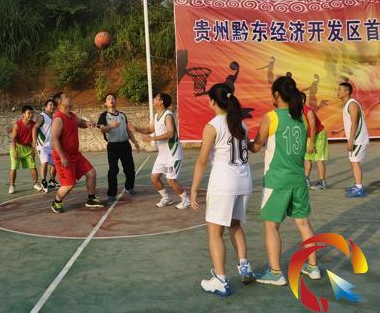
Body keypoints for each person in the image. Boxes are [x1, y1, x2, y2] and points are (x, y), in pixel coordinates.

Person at [249, 76, 321, 285]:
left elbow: (257, 146)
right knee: (304, 223)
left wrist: (240, 141)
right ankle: (313, 267)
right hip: (298, 179)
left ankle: (275, 272)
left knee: (271, 226)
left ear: (277, 94)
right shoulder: (301, 118)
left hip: (277, 181)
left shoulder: (271, 117)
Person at [190, 84, 254, 297]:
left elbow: (202, 161)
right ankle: (244, 266)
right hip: (244, 181)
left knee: (215, 232)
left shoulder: (213, 126)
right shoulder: (241, 123)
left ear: (213, 101)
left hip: (224, 183)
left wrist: (193, 189)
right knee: (235, 225)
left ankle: (220, 280)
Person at [129, 93, 190, 209]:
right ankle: (166, 198)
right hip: (162, 155)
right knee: (154, 178)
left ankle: (186, 200)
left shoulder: (168, 115)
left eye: (156, 98)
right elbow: (150, 129)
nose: (153, 99)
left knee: (171, 181)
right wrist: (136, 129)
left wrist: (153, 138)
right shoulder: (157, 116)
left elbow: (170, 133)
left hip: (173, 154)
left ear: (161, 101)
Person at [50, 92, 104, 213]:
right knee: (69, 185)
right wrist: (62, 157)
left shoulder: (72, 116)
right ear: (60, 103)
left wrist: (87, 123)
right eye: (66, 97)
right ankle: (57, 202)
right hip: (63, 156)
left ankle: (91, 199)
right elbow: (54, 138)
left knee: (91, 173)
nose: (70, 97)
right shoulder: (58, 118)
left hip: (75, 154)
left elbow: (81, 123)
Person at [97, 93, 140, 202]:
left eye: (113, 98)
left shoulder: (122, 115)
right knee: (113, 169)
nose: (111, 100)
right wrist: (111, 126)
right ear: (105, 103)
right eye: (108, 99)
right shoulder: (104, 115)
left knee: (130, 168)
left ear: (115, 101)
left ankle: (129, 187)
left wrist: (135, 142)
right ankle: (111, 194)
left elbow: (128, 130)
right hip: (113, 146)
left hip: (125, 145)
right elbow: (102, 129)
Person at [337, 82, 369, 198]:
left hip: (358, 139)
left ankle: (359, 188)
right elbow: (352, 122)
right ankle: (357, 185)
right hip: (355, 139)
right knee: (353, 161)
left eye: (340, 90)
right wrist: (339, 130)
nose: (338, 92)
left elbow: (355, 124)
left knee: (355, 162)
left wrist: (351, 140)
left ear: (347, 92)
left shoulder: (352, 105)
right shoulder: (348, 104)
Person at [9, 105, 43, 194]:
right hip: (17, 147)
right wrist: (15, 151)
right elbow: (13, 139)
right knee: (14, 167)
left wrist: (33, 150)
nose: (31, 115)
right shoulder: (17, 125)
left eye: (32, 113)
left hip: (28, 148)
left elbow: (34, 139)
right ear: (23, 114)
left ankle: (35, 183)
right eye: (29, 113)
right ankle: (12, 185)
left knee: (33, 166)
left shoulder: (33, 125)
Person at [301, 92, 329, 190]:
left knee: (318, 159)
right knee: (307, 158)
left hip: (319, 134)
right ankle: (306, 180)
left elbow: (313, 129)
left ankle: (322, 183)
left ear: (302, 100)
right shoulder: (296, 111)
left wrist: (312, 144)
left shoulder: (308, 111)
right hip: (309, 136)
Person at [32, 99, 59, 191]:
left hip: (52, 145)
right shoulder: (42, 116)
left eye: (53, 105)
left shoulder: (54, 116)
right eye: (50, 105)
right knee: (45, 162)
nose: (52, 106)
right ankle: (43, 182)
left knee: (56, 163)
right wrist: (34, 140)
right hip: (42, 145)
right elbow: (34, 128)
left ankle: (52, 180)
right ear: (45, 106)